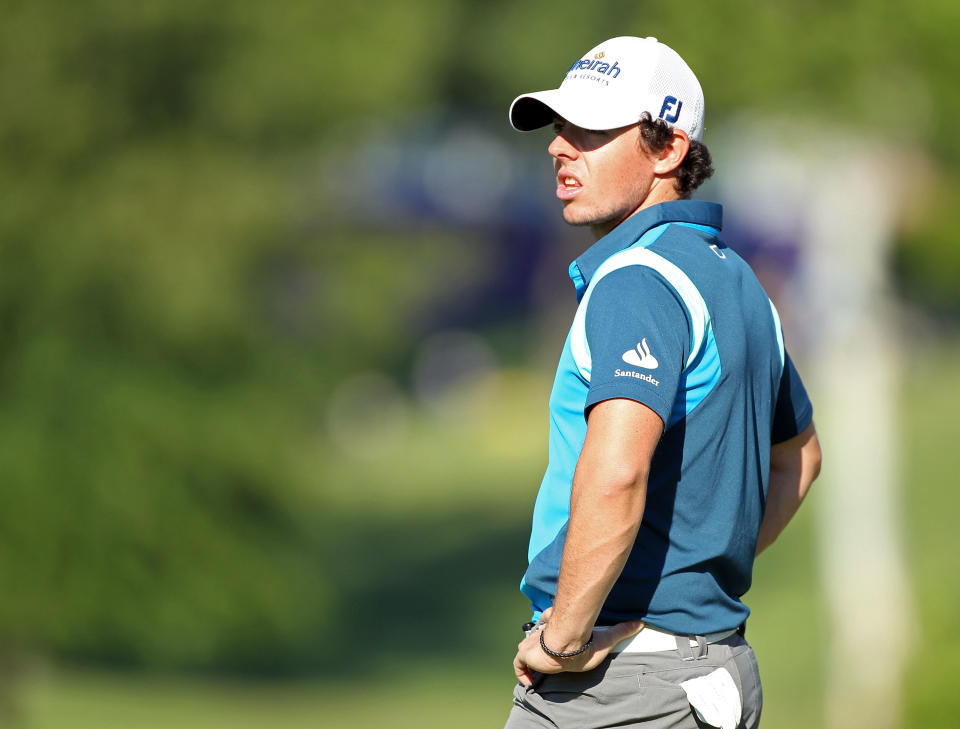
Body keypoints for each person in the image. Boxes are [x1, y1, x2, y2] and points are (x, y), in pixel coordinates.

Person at [503, 36, 822, 729]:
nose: (561, 147)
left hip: (620, 685)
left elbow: (617, 475)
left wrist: (563, 636)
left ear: (669, 148)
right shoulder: (739, 281)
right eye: (561, 128)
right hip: (710, 667)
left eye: (591, 129)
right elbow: (801, 455)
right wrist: (691, 579)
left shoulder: (636, 282)